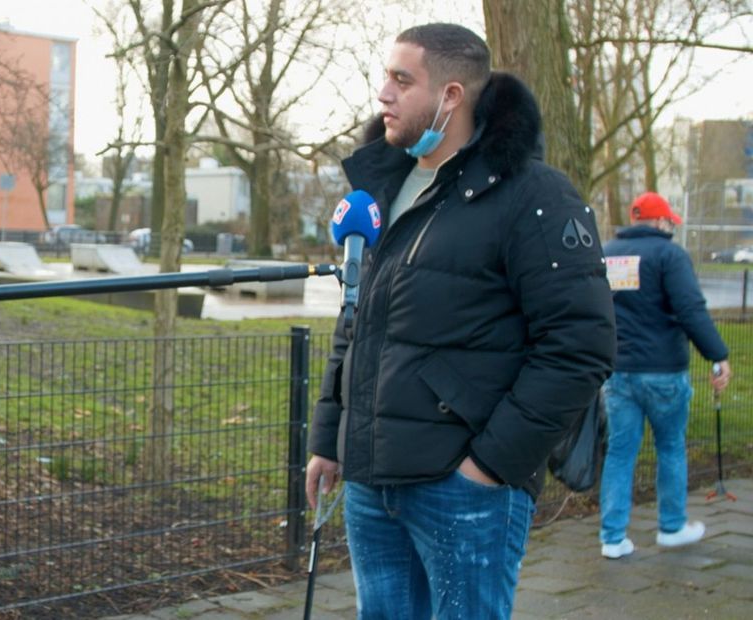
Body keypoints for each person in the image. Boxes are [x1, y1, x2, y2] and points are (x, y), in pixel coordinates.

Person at [305, 23, 615, 619]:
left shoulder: (535, 197)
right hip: (372, 483)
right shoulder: (383, 190)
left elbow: (582, 345)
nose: (383, 94)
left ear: (451, 95)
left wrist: (489, 466)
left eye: (402, 79)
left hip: (464, 488)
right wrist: (329, 439)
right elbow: (358, 321)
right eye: (385, 77)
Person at [597, 192, 732, 559]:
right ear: (658, 222)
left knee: (620, 452)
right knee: (670, 446)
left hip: (619, 371)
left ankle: (612, 537)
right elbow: (690, 309)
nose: (671, 226)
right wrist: (718, 356)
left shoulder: (608, 254)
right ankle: (671, 527)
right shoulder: (669, 256)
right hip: (663, 372)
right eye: (669, 221)